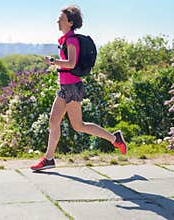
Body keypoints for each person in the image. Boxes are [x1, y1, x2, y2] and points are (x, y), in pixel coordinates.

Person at [30, 5, 127, 171]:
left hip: (72, 87)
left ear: (70, 22)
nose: (57, 21)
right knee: (54, 121)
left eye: (61, 19)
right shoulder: (66, 40)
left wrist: (53, 62)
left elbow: (71, 63)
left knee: (79, 125)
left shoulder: (72, 40)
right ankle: (49, 158)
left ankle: (115, 138)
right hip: (65, 87)